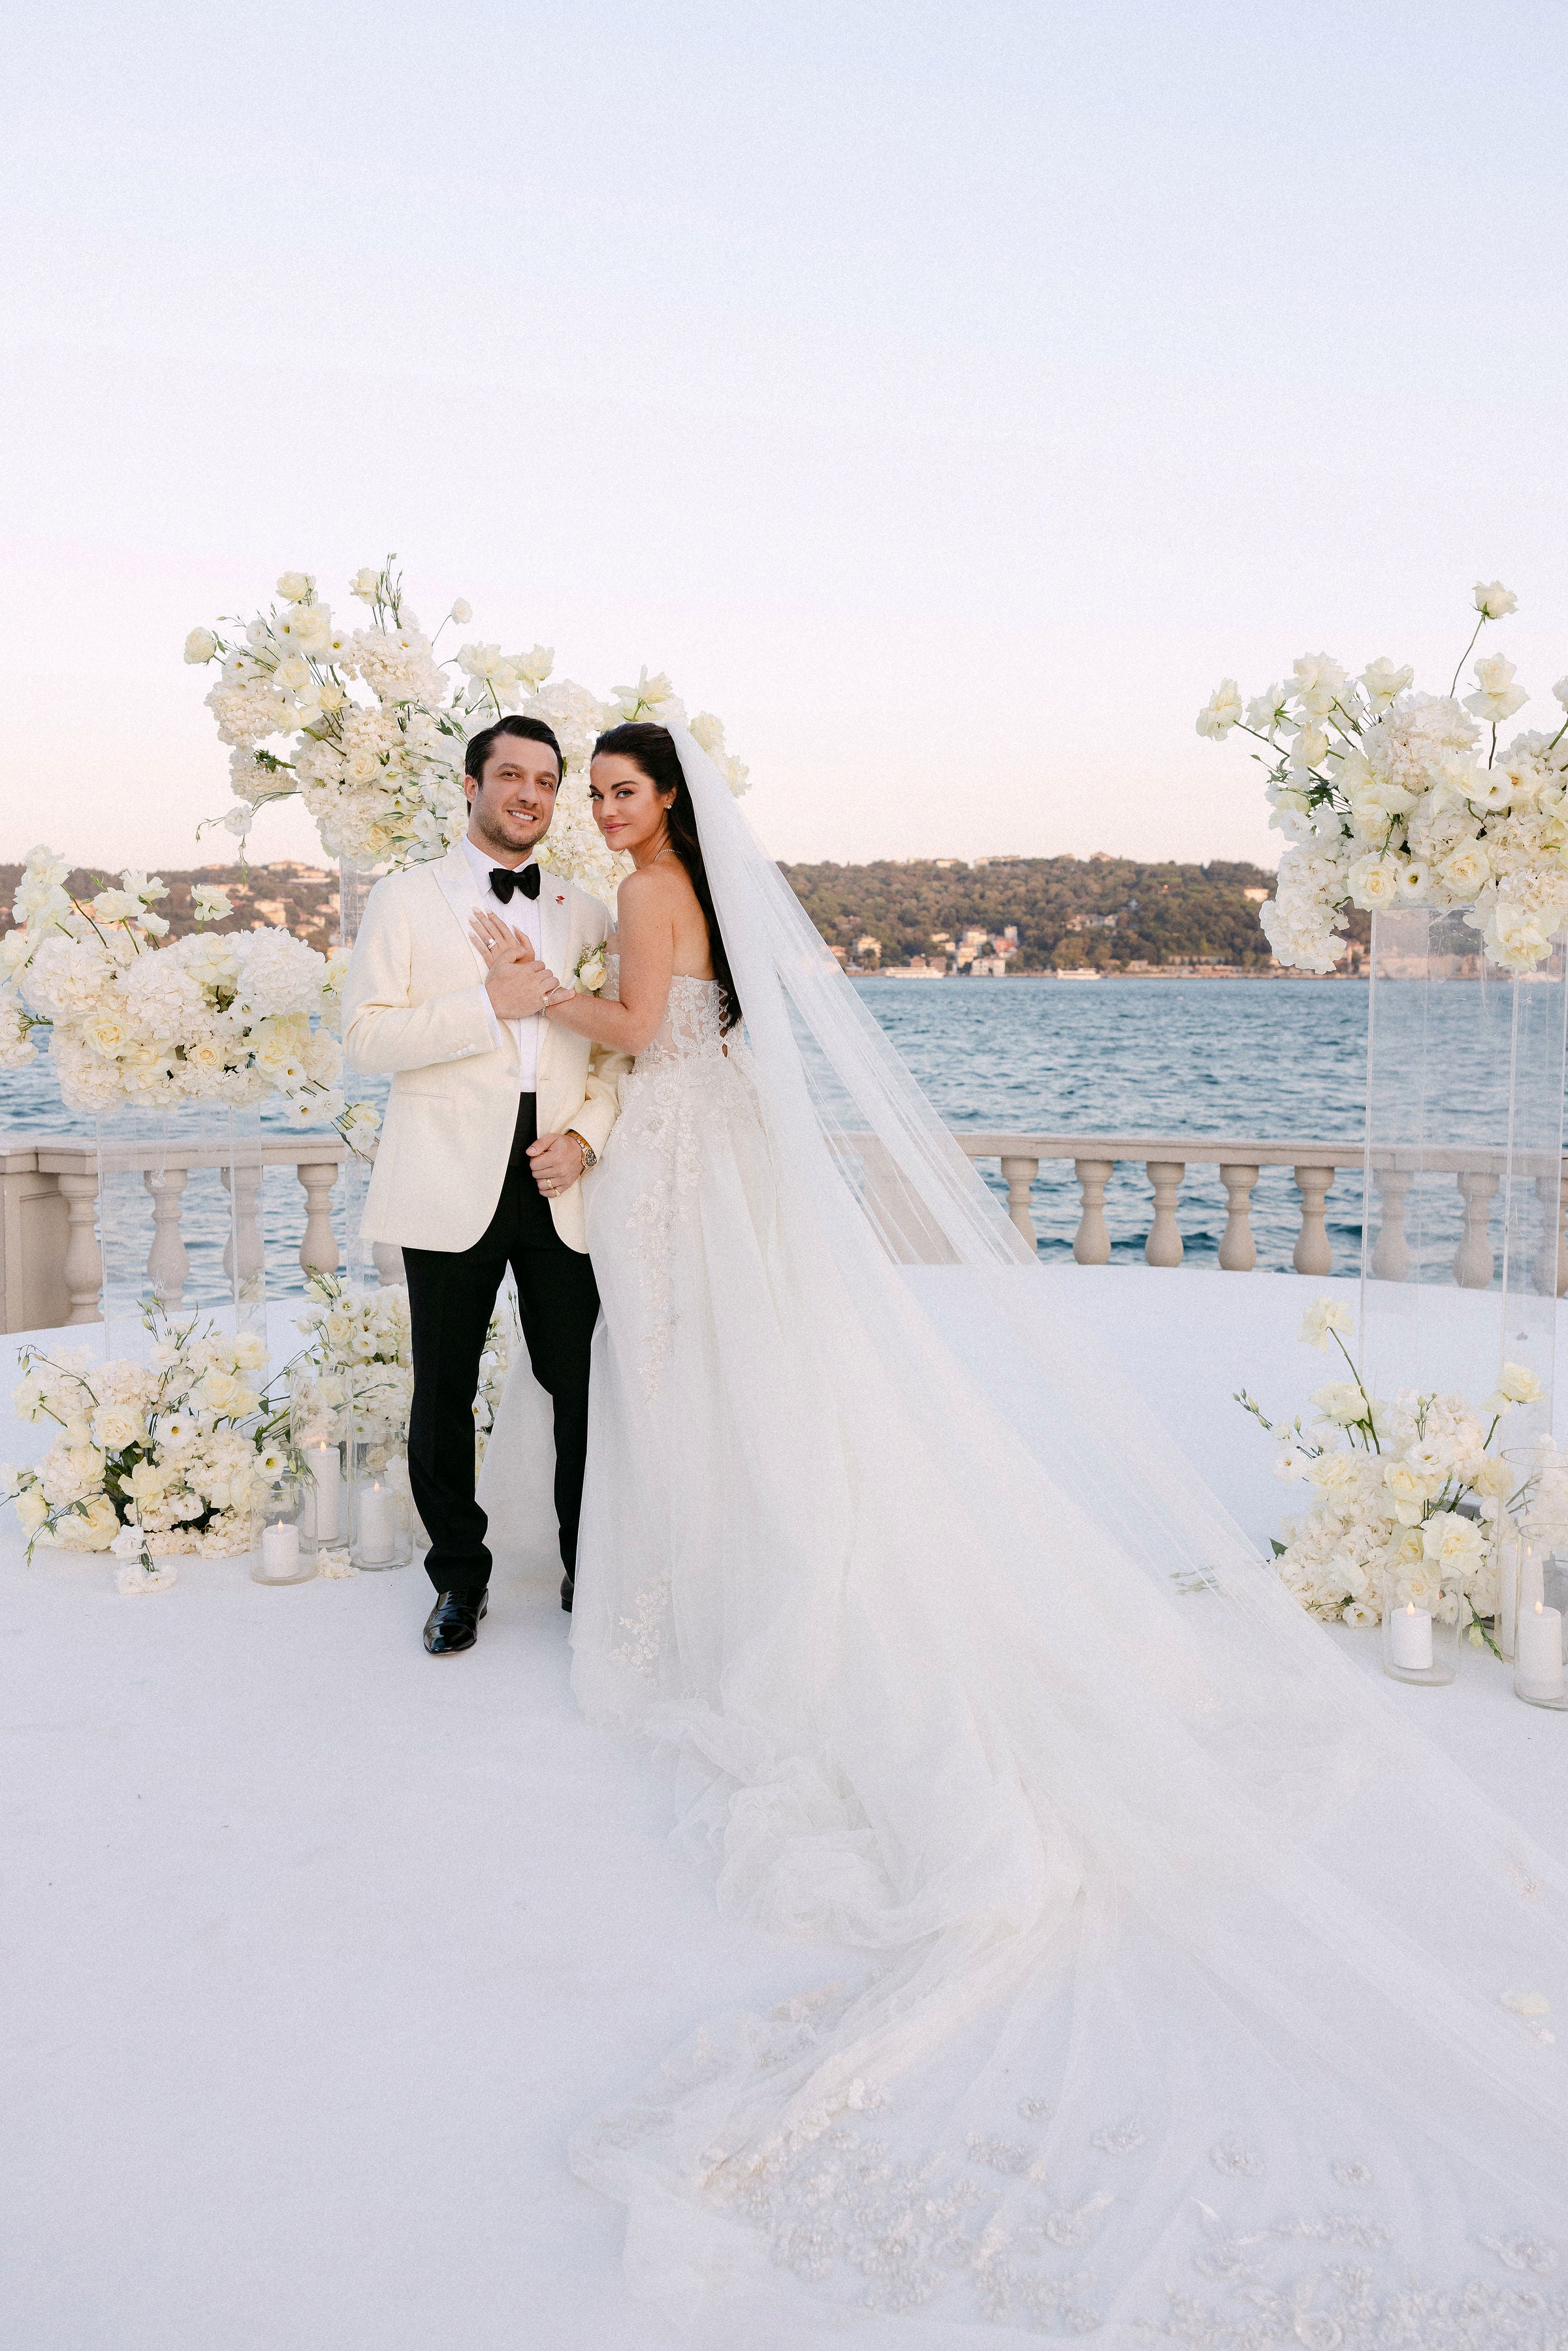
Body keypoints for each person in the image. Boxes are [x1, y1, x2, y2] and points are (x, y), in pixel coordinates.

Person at [472, 721, 1568, 2343]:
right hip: (711, 1159)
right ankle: (728, 1579)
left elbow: (638, 1025)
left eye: (627, 788)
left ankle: (716, 1606)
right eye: (602, 791)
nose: (611, 808)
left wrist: (535, 998)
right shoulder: (681, 883)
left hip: (684, 1171)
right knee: (722, 1394)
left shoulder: (645, 894)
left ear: (669, 800)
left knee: (689, 1391)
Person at [343, 715, 628, 1654]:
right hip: (446, 1172)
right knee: (444, 1389)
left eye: (546, 781)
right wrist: (486, 1005)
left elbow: (623, 1062)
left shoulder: (588, 914)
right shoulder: (406, 898)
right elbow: (368, 1038)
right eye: (511, 775)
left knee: (579, 1382)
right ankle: (457, 1583)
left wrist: (584, 1137)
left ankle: (593, 1570)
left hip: (558, 1174)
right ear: (471, 785)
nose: (529, 795)